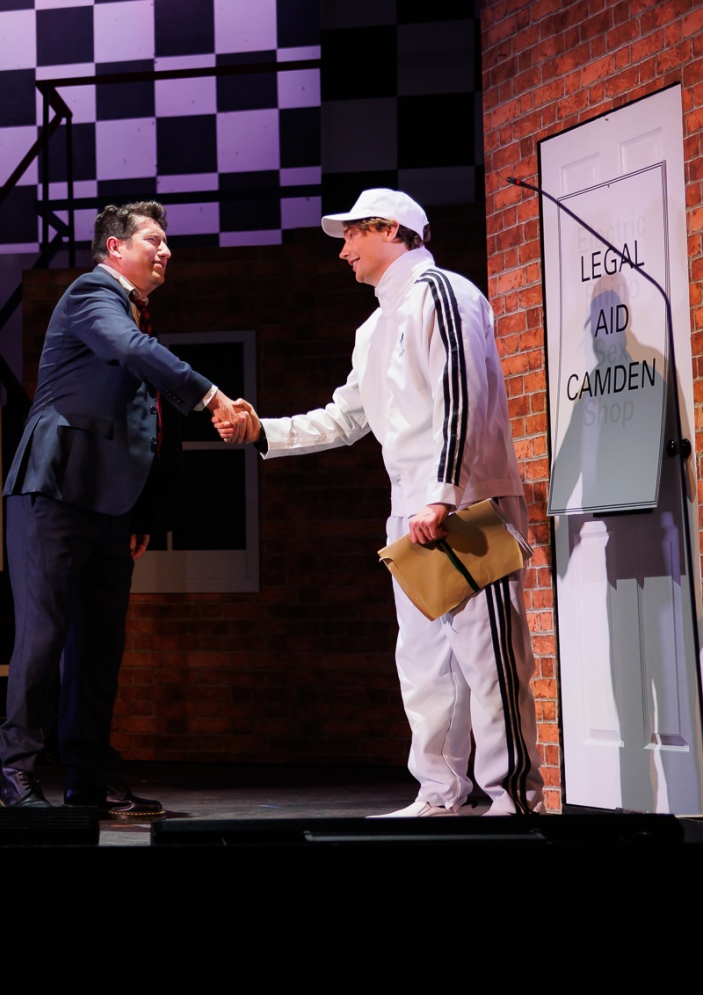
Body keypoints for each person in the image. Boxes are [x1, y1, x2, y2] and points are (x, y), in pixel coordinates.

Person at [224, 188, 542, 816]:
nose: (343, 250)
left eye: (352, 234)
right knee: (424, 666)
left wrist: (443, 494)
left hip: (466, 503)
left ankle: (514, 800)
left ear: (391, 230)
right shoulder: (373, 328)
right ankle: (442, 795)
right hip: (412, 511)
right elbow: (348, 417)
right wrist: (265, 431)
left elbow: (462, 395)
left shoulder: (441, 293)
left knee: (490, 660)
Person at [0, 202, 246, 815]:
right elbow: (132, 353)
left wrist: (144, 516)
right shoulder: (93, 296)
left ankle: (89, 780)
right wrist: (212, 395)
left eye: (166, 242)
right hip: (55, 491)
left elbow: (148, 423)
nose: (166, 252)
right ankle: (16, 772)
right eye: (154, 240)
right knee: (43, 637)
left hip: (111, 508)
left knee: (100, 650)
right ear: (115, 248)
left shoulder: (135, 316)